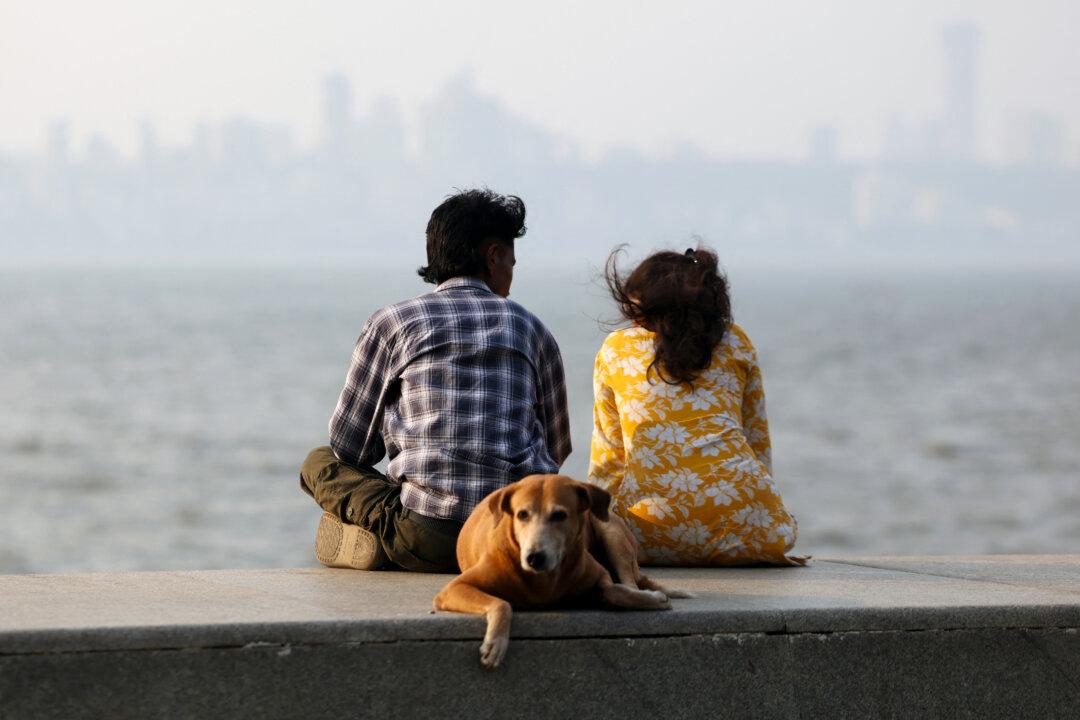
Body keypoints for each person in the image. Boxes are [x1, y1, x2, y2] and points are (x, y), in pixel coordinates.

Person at [301, 189, 571, 572]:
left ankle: (380, 536)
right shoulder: (533, 330)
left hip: (428, 536)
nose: (512, 272)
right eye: (513, 261)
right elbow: (556, 452)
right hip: (511, 540)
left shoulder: (394, 323)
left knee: (318, 462)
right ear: (494, 256)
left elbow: (350, 448)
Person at [588, 246, 804, 566]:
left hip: (649, 534)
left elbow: (608, 461)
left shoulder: (615, 349)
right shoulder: (737, 342)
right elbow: (757, 444)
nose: (631, 321)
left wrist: (599, 530)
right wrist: (758, 510)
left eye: (636, 312)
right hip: (752, 529)